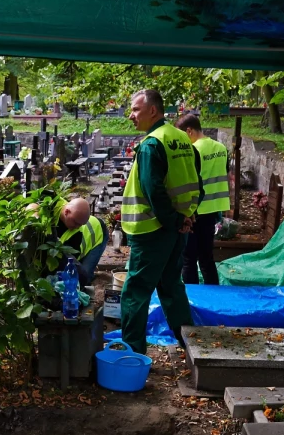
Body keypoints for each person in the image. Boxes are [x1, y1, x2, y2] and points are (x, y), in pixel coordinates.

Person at [119, 89, 201, 355]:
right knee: (171, 287)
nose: (130, 115)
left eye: (135, 110)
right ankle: (192, 348)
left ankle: (131, 353)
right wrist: (186, 218)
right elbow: (196, 181)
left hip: (153, 229)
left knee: (135, 291)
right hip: (178, 229)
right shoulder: (181, 138)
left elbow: (154, 190)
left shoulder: (152, 144)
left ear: (152, 110)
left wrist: (174, 220)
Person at [176, 113, 230, 285]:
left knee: (188, 259)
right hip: (213, 209)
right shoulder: (221, 148)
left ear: (189, 131)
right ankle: (213, 296)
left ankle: (192, 299)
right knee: (207, 257)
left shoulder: (192, 150)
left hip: (195, 210)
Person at [52, 197, 107, 285]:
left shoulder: (77, 234)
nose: (78, 227)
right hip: (88, 232)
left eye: (80, 225)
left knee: (82, 278)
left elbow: (70, 265)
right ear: (66, 212)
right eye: (76, 223)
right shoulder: (56, 206)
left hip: (99, 233)